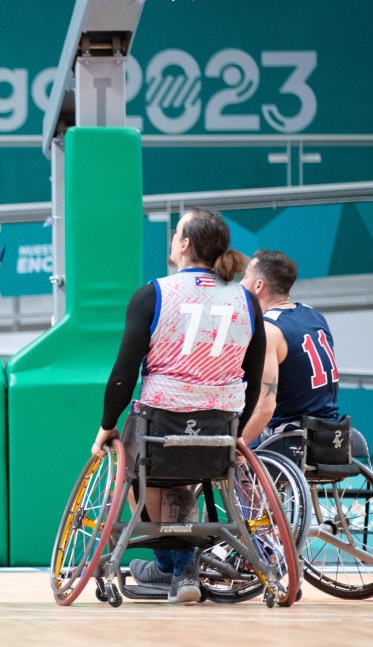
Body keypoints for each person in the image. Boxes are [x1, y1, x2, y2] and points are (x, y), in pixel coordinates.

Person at [89, 207, 266, 603]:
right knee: (183, 477)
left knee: (139, 470)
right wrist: (237, 431)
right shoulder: (247, 301)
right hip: (220, 423)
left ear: (184, 245)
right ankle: (178, 568)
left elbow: (123, 373)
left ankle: (174, 562)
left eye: (176, 234)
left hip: (160, 423)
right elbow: (252, 379)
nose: (172, 239)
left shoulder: (154, 294)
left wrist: (106, 424)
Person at [239, 249, 340, 445]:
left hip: (290, 436)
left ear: (259, 285)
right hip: (332, 432)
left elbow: (264, 410)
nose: (241, 283)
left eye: (245, 277)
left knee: (221, 449)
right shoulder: (314, 316)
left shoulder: (269, 330)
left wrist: (235, 450)